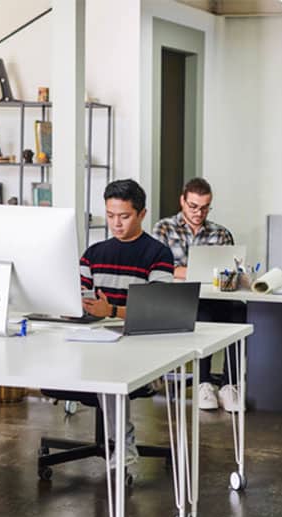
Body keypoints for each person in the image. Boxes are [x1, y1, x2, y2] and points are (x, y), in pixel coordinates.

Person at [80, 178, 175, 465]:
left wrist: (111, 312)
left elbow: (158, 313)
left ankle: (123, 443)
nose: (116, 223)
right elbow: (80, 300)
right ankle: (119, 441)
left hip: (139, 346)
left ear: (142, 214)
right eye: (110, 216)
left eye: (124, 216)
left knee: (108, 368)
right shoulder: (93, 255)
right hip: (93, 340)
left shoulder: (158, 254)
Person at [152, 177, 244, 411]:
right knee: (202, 312)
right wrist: (195, 272)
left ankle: (229, 385)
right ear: (182, 201)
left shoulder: (220, 233)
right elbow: (159, 268)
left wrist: (186, 271)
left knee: (239, 311)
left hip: (216, 295)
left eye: (204, 208)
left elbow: (229, 271)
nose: (198, 212)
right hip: (179, 298)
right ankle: (203, 383)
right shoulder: (164, 228)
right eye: (193, 206)